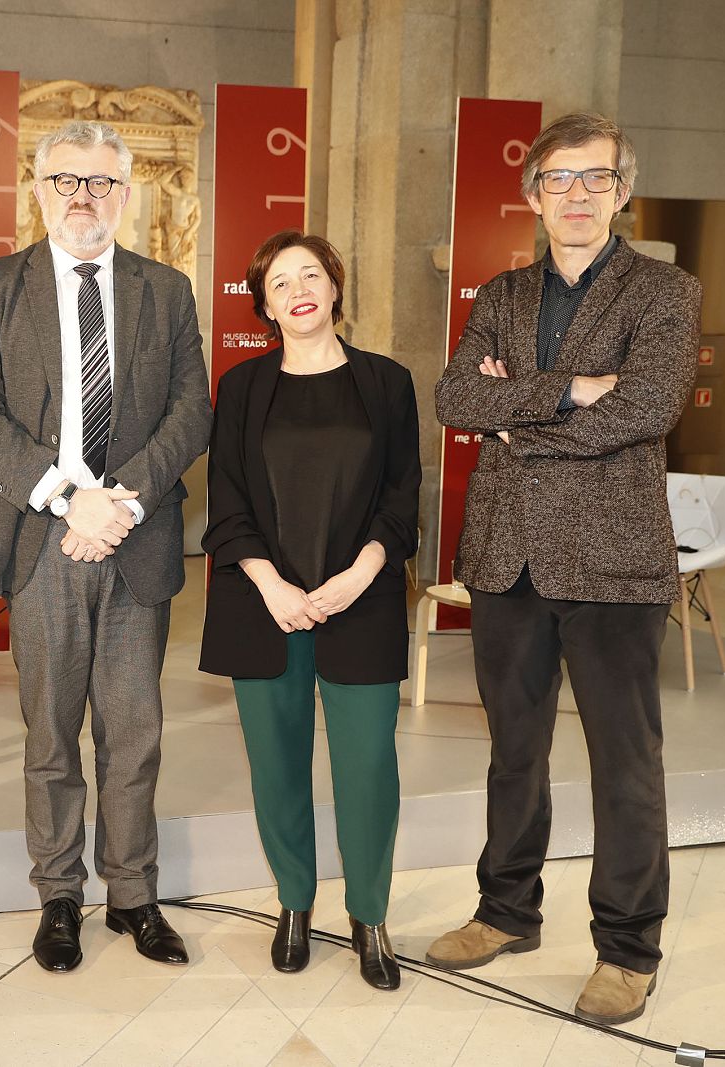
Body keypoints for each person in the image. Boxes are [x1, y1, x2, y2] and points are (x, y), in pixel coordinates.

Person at [430, 112, 701, 1026]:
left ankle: (629, 948)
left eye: (597, 179)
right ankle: (507, 910)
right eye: (560, 180)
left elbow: (652, 407)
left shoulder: (665, 292)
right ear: (533, 194)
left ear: (624, 190)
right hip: (508, 556)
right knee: (515, 754)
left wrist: (519, 423)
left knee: (626, 763)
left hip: (614, 559)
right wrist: (578, 388)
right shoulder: (500, 295)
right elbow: (456, 395)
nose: (577, 196)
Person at [0, 120, 213, 974]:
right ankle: (58, 895)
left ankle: (133, 895)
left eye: (101, 183)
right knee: (51, 734)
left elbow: (190, 412)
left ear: (126, 195)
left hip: (135, 538)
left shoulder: (166, 290)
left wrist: (120, 502)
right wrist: (70, 500)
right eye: (67, 181)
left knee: (134, 731)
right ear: (39, 189)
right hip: (43, 540)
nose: (84, 198)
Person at [198, 231, 420, 991]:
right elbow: (225, 500)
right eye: (280, 280)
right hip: (265, 603)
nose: (298, 289)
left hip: (360, 601)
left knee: (368, 770)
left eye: (312, 275)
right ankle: (294, 903)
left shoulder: (387, 383)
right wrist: (271, 584)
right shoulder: (241, 385)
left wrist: (361, 572)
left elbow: (401, 501)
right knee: (278, 768)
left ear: (335, 288)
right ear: (264, 304)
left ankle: (369, 915)